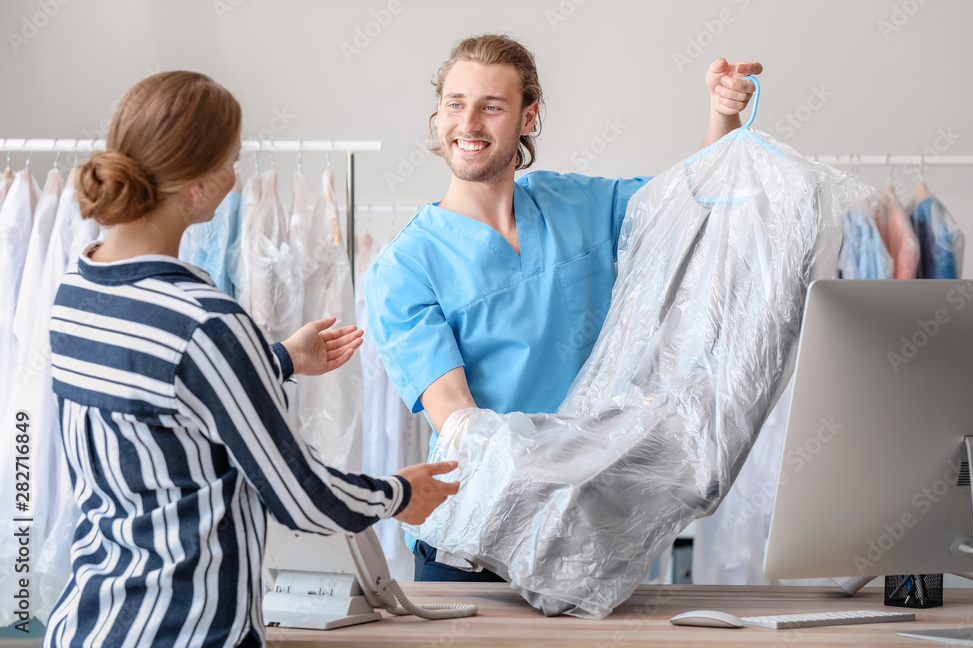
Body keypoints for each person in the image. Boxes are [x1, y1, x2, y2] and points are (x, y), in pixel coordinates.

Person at [42, 71, 458, 648]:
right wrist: (400, 495)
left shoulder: (77, 292)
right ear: (197, 185)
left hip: (86, 625)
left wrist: (277, 359)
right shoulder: (206, 322)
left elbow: (159, 390)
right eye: (231, 162)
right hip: (184, 632)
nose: (237, 179)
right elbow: (301, 498)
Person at [365, 34, 762, 582]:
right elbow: (458, 420)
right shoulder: (405, 267)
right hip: (476, 539)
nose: (468, 123)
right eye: (455, 104)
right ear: (439, 114)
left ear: (528, 117)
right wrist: (573, 464)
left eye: (491, 106)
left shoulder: (574, 204)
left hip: (590, 530)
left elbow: (692, 203)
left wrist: (722, 113)